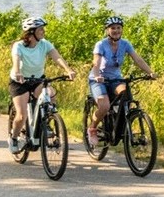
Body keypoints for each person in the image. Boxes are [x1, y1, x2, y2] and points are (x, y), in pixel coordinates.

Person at [8, 15, 74, 152]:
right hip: (20, 82)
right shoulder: (18, 46)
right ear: (31, 33)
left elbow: (57, 57)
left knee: (51, 95)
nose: (43, 32)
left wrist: (68, 70)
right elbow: (16, 60)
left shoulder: (45, 44)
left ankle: (47, 122)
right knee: (21, 116)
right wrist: (17, 72)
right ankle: (13, 138)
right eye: (40, 29)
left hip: (38, 80)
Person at [87, 14, 154, 147]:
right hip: (98, 80)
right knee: (104, 106)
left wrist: (150, 72)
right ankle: (92, 129)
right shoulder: (101, 44)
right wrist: (96, 75)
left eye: (118, 28)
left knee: (126, 96)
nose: (116, 30)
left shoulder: (125, 44)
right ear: (107, 30)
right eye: (113, 28)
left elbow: (138, 59)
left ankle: (120, 125)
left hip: (115, 79)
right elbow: (96, 62)